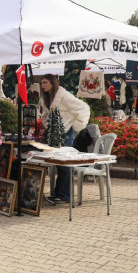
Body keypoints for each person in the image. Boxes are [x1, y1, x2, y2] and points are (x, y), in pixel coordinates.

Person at [40, 74, 90, 203]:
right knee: (57, 163)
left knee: (64, 164)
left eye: (45, 82)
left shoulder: (64, 96)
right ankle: (59, 193)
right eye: (42, 83)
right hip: (53, 133)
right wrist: (47, 125)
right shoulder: (46, 97)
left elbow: (84, 108)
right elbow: (46, 114)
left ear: (52, 83)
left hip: (66, 132)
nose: (42, 85)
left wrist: (75, 126)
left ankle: (65, 195)